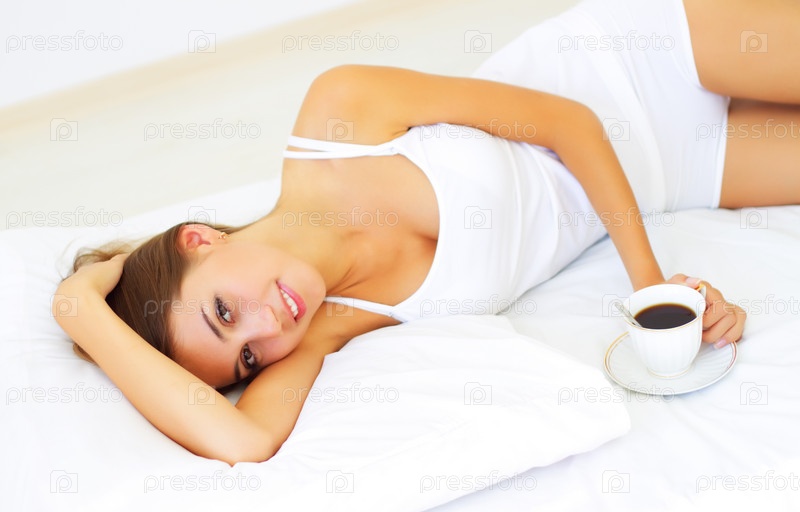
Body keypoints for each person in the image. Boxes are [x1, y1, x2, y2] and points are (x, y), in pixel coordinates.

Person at [53, 0, 799, 465]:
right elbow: (245, 442)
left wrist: (654, 294)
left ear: (199, 239)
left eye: (224, 309)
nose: (266, 327)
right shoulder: (319, 331)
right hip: (676, 174)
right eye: (245, 355)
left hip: (636, 63)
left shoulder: (336, 118)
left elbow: (570, 123)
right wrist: (80, 312)